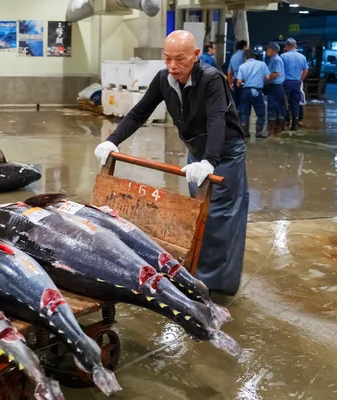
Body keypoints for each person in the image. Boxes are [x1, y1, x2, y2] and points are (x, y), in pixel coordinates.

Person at [94, 30, 248, 297]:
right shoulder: (165, 79)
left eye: (180, 59)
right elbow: (140, 112)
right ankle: (196, 273)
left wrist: (210, 161)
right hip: (198, 152)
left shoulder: (212, 79)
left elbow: (216, 121)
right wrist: (112, 140)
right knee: (197, 215)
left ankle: (212, 285)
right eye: (167, 59)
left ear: (196, 56)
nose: (173, 66)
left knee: (219, 217)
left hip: (223, 152)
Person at [237, 49, 270, 139]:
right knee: (260, 113)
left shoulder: (242, 66)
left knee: (244, 113)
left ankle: (245, 133)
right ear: (254, 56)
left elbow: (239, 81)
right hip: (257, 91)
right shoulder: (262, 64)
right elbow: (267, 77)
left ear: (245, 57)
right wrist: (259, 80)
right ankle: (259, 133)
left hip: (246, 91)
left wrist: (239, 84)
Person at [280, 38, 308, 131]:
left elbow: (279, 70)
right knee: (295, 104)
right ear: (295, 46)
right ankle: (294, 125)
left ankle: (285, 122)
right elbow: (305, 70)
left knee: (284, 103)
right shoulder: (302, 57)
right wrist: (300, 80)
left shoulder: (283, 56)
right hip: (296, 82)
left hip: (285, 82)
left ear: (287, 46)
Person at [265, 42, 287, 135]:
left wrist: (265, 79)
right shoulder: (273, 59)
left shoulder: (276, 60)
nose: (266, 51)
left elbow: (276, 73)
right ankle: (279, 128)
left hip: (275, 86)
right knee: (279, 107)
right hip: (277, 86)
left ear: (274, 50)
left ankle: (272, 129)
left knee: (272, 107)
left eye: (268, 49)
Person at [227, 40, 249, 120]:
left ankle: (236, 121)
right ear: (244, 46)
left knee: (236, 103)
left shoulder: (233, 56)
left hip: (235, 81)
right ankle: (243, 123)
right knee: (244, 103)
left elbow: (229, 71)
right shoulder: (245, 56)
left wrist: (230, 83)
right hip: (243, 81)